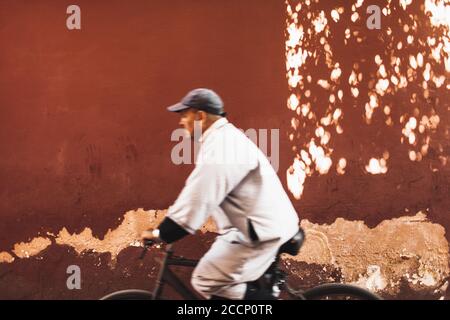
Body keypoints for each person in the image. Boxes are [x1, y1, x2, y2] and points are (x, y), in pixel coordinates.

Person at [141, 88, 300, 300]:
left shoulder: (223, 147)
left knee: (206, 279)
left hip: (261, 232)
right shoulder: (223, 139)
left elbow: (198, 197)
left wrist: (163, 233)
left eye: (184, 115)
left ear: (200, 116)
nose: (181, 122)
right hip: (259, 227)